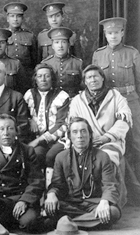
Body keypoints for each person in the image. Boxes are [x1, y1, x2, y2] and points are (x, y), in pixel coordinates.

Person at [68, 64, 132, 207]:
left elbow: (124, 121)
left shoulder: (116, 96)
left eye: (96, 76)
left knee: (107, 157)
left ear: (102, 78)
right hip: (85, 141)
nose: (93, 80)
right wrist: (87, 140)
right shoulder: (78, 100)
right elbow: (73, 123)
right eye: (89, 77)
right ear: (85, 81)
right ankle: (82, 200)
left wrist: (107, 137)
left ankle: (112, 202)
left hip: (111, 141)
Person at [0, 114, 45, 233]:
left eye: (10, 128)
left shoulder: (27, 151)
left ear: (16, 131)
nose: (6, 133)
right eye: (1, 129)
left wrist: (24, 201)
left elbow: (37, 181)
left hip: (20, 200)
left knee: (30, 223)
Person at [44, 117, 121, 230]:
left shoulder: (102, 156)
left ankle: (68, 224)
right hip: (70, 204)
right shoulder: (61, 157)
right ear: (69, 136)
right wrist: (51, 194)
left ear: (90, 135)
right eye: (75, 132)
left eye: (83, 131)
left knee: (113, 212)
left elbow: (109, 185)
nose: (80, 136)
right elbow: (57, 185)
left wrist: (104, 201)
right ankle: (86, 222)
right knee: (50, 208)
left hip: (94, 204)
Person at [92, 17, 140, 182]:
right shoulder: (98, 55)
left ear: (122, 33)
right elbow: (95, 81)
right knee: (112, 138)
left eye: (116, 33)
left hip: (130, 100)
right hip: (109, 102)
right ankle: (117, 180)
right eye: (109, 33)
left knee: (136, 139)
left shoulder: (132, 53)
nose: (113, 36)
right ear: (105, 34)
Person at [24, 63, 70, 186]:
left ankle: (53, 189)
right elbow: (22, 114)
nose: (43, 80)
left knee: (51, 155)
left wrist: (40, 140)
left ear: (52, 78)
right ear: (35, 79)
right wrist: (30, 119)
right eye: (39, 76)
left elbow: (62, 123)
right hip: (36, 138)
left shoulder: (62, 96)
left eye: (47, 76)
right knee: (36, 154)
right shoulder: (29, 94)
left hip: (57, 139)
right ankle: (38, 189)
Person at [3, 2, 37, 93]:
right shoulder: (2, 36)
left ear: (22, 18)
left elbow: (35, 60)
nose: (15, 19)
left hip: (26, 78)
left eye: (18, 16)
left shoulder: (30, 36)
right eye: (12, 16)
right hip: (7, 77)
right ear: (7, 18)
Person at [41, 27, 83, 98]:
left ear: (68, 45)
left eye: (63, 42)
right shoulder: (45, 64)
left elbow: (83, 87)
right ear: (53, 46)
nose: (60, 46)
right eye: (57, 42)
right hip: (51, 102)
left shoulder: (78, 63)